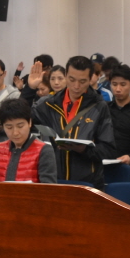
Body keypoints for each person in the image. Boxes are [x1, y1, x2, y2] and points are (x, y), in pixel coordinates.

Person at [33, 55, 116, 187]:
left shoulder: (99, 106)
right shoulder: (50, 104)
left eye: (82, 81)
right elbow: (24, 119)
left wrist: (84, 150)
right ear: (66, 75)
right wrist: (30, 89)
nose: (76, 86)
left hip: (88, 182)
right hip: (56, 180)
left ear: (90, 80)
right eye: (72, 79)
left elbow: (108, 149)